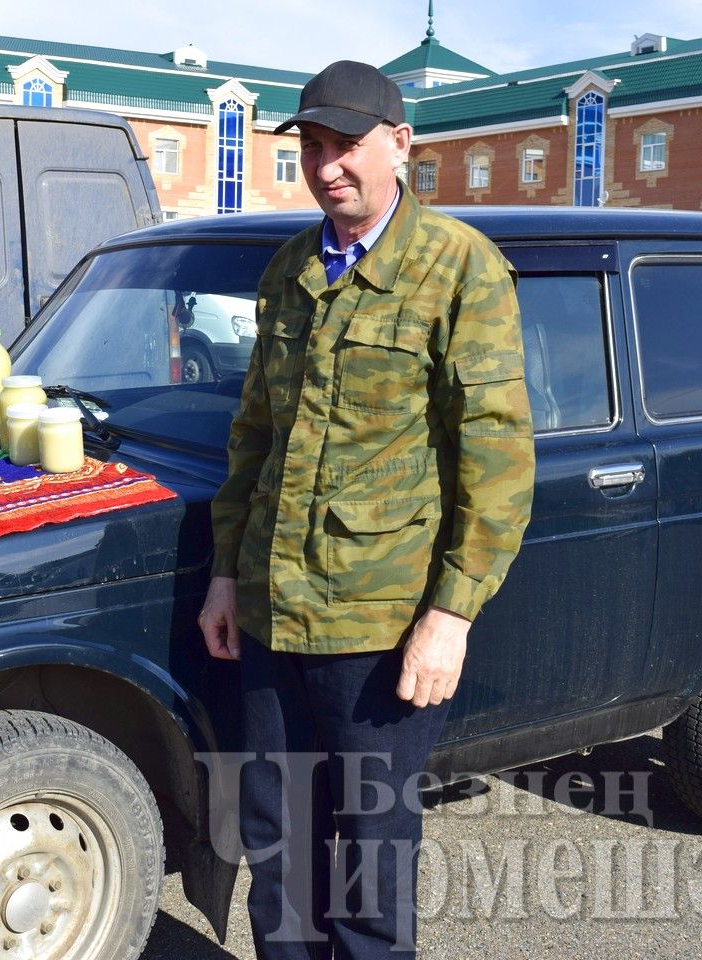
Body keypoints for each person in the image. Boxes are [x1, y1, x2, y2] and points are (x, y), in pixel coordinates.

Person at [198, 60, 535, 958]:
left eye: (345, 144)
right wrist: (226, 574)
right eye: (311, 145)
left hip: (381, 628)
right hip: (273, 615)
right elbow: (253, 439)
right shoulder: (286, 273)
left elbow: (497, 457)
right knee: (280, 857)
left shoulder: (458, 269)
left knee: (370, 867)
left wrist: (451, 616)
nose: (326, 164)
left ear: (400, 144)